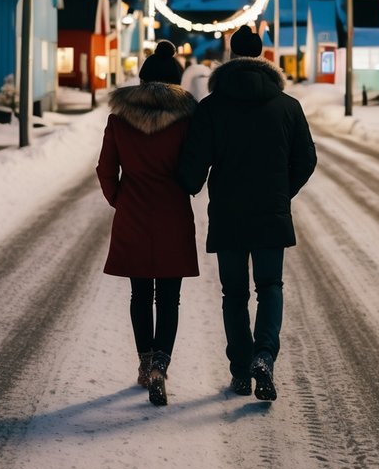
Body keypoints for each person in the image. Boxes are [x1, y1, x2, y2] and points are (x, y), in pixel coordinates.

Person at [178, 24, 317, 402]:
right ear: (263, 57)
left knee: (234, 294)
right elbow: (306, 159)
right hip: (270, 211)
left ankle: (241, 371)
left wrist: (184, 182)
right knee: (270, 287)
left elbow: (193, 169)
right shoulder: (288, 107)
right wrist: (281, 192)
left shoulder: (212, 107)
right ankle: (264, 357)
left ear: (231, 57)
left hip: (228, 213)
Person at [96, 39, 198, 406]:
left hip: (134, 215)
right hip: (173, 214)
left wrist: (120, 200)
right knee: (169, 299)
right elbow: (194, 170)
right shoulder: (187, 120)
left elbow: (106, 170)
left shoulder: (119, 119)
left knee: (140, 295)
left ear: (141, 80)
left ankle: (143, 363)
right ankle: (160, 365)